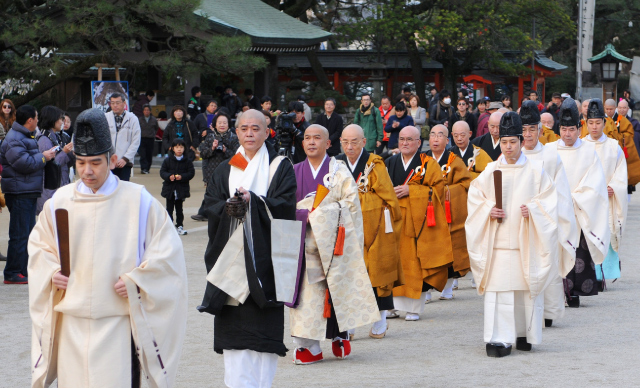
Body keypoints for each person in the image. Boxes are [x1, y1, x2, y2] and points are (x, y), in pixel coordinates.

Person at [28, 108, 187, 387]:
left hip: (119, 324)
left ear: (112, 160)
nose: (87, 171)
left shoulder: (138, 201)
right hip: (71, 323)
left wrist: (138, 281)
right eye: (80, 163)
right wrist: (50, 272)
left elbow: (168, 255)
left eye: (96, 163)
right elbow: (40, 247)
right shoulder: (59, 202)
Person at [198, 109, 297, 387]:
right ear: (236, 132)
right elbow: (210, 205)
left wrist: (253, 201)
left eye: (256, 128)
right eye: (244, 129)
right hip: (231, 261)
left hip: (266, 264)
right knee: (234, 339)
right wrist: (227, 208)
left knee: (263, 341)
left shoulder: (279, 166)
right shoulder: (225, 168)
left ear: (267, 132)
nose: (250, 133)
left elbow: (286, 205)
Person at [466, 111, 558, 357]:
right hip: (497, 243)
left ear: (521, 141)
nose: (508, 148)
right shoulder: (490, 171)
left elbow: (550, 201)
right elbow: (475, 198)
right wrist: (488, 211)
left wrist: (535, 210)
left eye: (513, 142)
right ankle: (499, 339)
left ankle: (524, 333)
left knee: (524, 289)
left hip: (525, 240)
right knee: (499, 291)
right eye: (504, 143)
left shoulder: (537, 171)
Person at [290, 124, 378, 364]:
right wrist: (302, 211)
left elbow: (351, 207)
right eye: (307, 138)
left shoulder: (338, 173)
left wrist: (319, 213)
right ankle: (308, 346)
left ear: (328, 144)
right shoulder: (294, 170)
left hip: (334, 244)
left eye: (317, 138)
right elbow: (283, 206)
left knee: (335, 289)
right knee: (306, 296)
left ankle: (340, 334)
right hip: (303, 244)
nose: (311, 142)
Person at [336, 124, 403, 339]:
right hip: (345, 227)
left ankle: (381, 319)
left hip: (375, 228)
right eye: (345, 142)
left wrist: (363, 202)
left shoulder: (375, 164)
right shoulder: (337, 165)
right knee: (350, 275)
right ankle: (350, 322)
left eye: (354, 142)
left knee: (377, 272)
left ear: (364, 142)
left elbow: (388, 198)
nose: (349, 146)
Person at [546, 98, 610, 308]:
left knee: (577, 252)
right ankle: (557, 293)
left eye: (571, 129)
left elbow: (595, 185)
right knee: (557, 251)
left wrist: (574, 199)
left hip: (579, 210)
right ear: (559, 129)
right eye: (563, 129)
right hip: (557, 211)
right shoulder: (549, 151)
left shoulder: (589, 152)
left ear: (578, 128)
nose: (567, 134)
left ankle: (573, 292)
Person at [519, 100, 578, 327]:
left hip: (546, 220)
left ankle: (548, 311)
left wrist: (553, 218)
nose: (528, 134)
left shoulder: (551, 157)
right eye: (523, 130)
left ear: (541, 130)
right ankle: (526, 312)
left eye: (532, 129)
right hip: (521, 221)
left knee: (547, 263)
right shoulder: (512, 157)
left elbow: (561, 193)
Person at [386, 126, 452, 321]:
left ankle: (414, 307)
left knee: (414, 262)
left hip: (417, 221)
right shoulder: (389, 162)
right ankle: (392, 306)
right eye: (402, 139)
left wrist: (412, 191)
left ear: (418, 143)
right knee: (393, 261)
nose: (405, 143)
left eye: (409, 139)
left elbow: (438, 190)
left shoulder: (428, 164)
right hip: (393, 219)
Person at [0, 105, 56, 284]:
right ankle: (13, 272)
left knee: (27, 233)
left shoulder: (24, 135)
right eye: (36, 118)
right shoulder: (14, 138)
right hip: (19, 192)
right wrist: (43, 157)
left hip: (26, 190)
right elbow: (23, 163)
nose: (38, 121)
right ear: (30, 120)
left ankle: (23, 269)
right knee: (19, 234)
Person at [583, 99, 628, 288]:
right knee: (587, 236)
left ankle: (602, 275)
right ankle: (590, 274)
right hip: (586, 200)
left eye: (598, 122)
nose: (594, 127)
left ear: (604, 122)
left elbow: (621, 172)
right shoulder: (581, 146)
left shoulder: (613, 146)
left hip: (608, 199)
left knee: (606, 235)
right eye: (591, 123)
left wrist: (614, 187)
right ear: (586, 123)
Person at [425, 124, 472, 302]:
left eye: (440, 136)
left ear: (447, 140)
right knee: (428, 249)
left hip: (447, 210)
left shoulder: (454, 160)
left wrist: (448, 192)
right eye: (432, 135)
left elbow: (466, 183)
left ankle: (447, 285)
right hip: (426, 211)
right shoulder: (422, 160)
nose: (436, 139)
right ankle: (426, 288)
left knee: (450, 247)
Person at [36, 105, 75, 213]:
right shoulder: (44, 139)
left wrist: (72, 154)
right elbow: (50, 166)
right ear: (52, 119)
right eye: (60, 119)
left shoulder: (55, 136)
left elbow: (64, 163)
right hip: (50, 189)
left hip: (58, 185)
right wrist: (65, 152)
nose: (62, 122)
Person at [603, 98, 640, 195]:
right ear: (604, 108)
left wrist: (618, 137)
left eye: (611, 109)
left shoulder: (621, 120)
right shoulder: (601, 120)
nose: (609, 111)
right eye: (607, 109)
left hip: (619, 151)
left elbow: (630, 133)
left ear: (614, 108)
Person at [160, 138, 195, 236]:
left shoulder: (187, 161)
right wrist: (168, 176)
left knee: (179, 209)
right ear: (172, 148)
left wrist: (182, 177)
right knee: (169, 209)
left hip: (181, 189)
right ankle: (169, 226)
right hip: (169, 189)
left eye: (181, 147)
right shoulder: (167, 160)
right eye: (177, 147)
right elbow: (162, 172)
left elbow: (191, 173)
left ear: (184, 148)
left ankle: (180, 225)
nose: (179, 149)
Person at [105, 92, 141, 181]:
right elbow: (102, 139)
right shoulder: (105, 117)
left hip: (125, 162)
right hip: (108, 161)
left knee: (124, 189)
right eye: (112, 103)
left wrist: (125, 158)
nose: (115, 105)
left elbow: (136, 141)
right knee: (109, 188)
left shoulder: (133, 118)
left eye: (117, 103)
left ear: (124, 103)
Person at [199, 112, 239, 186]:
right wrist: (212, 148)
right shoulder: (210, 137)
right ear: (215, 124)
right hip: (212, 174)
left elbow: (238, 157)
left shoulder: (234, 138)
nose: (222, 125)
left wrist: (225, 150)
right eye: (219, 123)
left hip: (229, 174)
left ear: (228, 124)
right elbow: (203, 154)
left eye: (224, 123)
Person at [138, 104, 158, 174]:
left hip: (150, 139)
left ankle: (147, 168)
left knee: (149, 154)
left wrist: (153, 134)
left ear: (150, 111)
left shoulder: (154, 119)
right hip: (142, 138)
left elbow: (156, 128)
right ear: (143, 111)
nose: (146, 111)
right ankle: (143, 168)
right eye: (145, 110)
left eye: (148, 110)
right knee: (142, 154)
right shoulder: (139, 119)